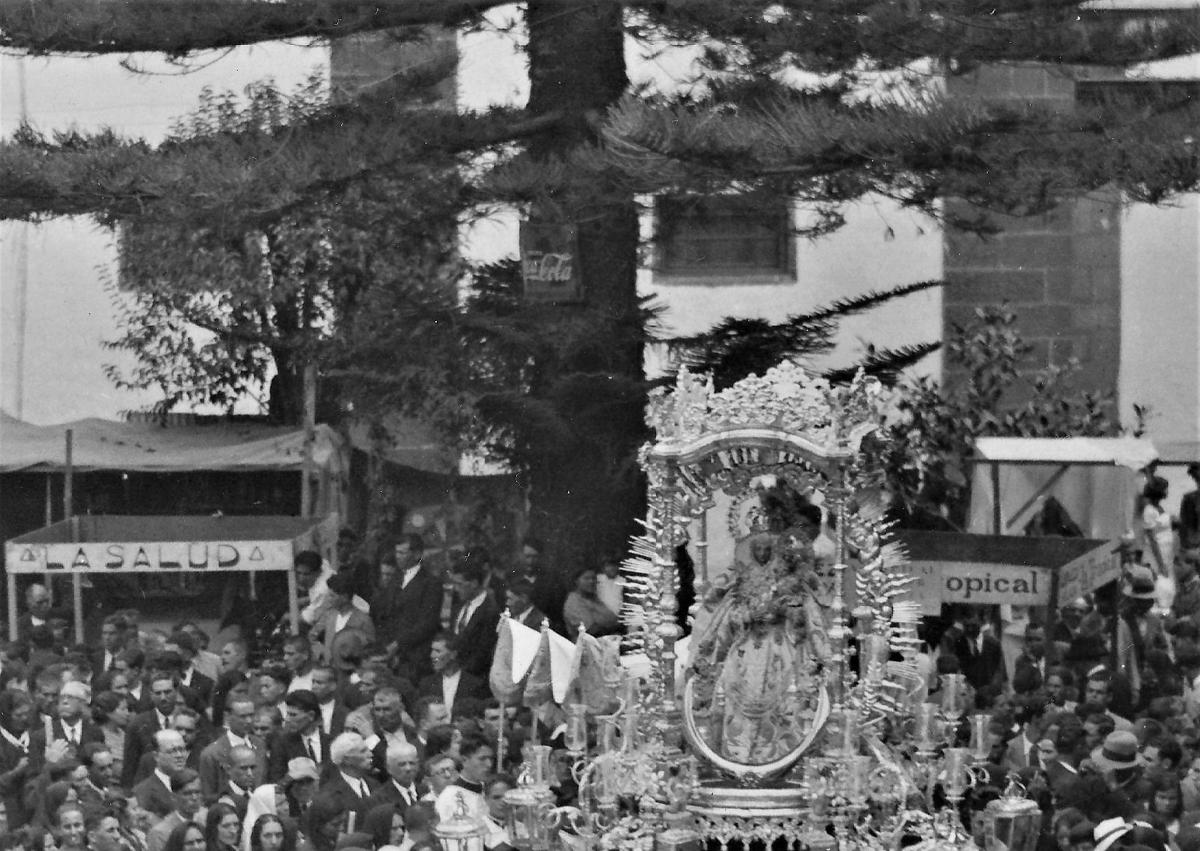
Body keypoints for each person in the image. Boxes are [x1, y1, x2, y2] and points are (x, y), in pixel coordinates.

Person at [373, 534, 443, 684]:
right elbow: (384, 615)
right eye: (396, 552)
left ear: (417, 554)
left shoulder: (430, 583)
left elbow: (427, 623)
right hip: (391, 656)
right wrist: (387, 646)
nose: (397, 557)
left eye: (402, 553)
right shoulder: (395, 580)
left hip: (415, 657)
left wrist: (398, 645)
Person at [448, 561, 500, 679]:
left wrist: (460, 675)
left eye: (459, 584)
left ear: (474, 583)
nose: (456, 589)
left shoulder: (490, 611)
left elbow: (483, 652)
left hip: (473, 677)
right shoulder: (459, 604)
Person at [418, 634, 486, 722]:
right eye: (432, 650)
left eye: (437, 651)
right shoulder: (426, 684)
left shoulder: (475, 685)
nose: (432, 656)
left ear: (453, 654)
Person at [1142, 475, 1177, 615]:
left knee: (1168, 578)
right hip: (1156, 552)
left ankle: (1167, 605)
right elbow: (1151, 539)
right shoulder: (1149, 511)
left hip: (1167, 550)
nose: (1167, 492)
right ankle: (1160, 608)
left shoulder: (1160, 507)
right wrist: (1160, 563)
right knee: (1159, 579)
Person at [561, 567, 621, 640]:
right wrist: (614, 625)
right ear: (576, 581)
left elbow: (613, 618)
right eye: (586, 578)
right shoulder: (574, 601)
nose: (591, 581)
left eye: (594, 578)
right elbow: (592, 630)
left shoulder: (595, 599)